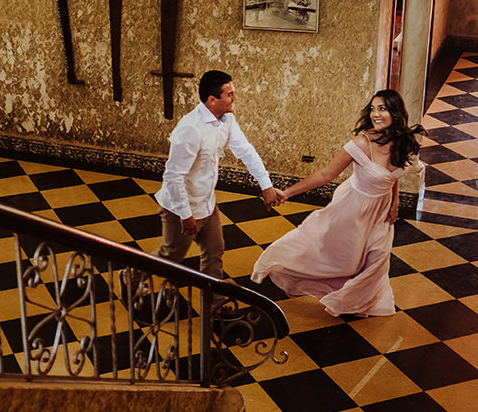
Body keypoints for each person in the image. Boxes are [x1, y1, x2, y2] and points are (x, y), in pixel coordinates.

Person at [251, 89, 424, 317]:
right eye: (372, 109)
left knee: (378, 259)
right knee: (344, 261)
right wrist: (288, 193)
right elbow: (325, 175)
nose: (375, 114)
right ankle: (291, 272)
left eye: (382, 108)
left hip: (381, 212)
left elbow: (392, 177)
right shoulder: (361, 143)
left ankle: (361, 302)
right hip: (352, 208)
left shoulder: (403, 141)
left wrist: (394, 202)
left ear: (396, 112)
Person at [151, 70, 279, 281]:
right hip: (180, 208)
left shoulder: (227, 120)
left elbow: (245, 150)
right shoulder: (190, 129)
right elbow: (174, 176)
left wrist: (266, 185)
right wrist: (185, 214)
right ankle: (131, 276)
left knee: (214, 253)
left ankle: (214, 307)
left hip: (208, 204)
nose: (234, 98)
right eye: (230, 94)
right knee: (170, 257)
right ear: (212, 100)